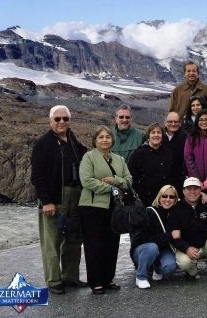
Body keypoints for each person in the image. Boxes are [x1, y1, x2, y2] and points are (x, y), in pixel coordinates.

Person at [31, 105, 88, 295]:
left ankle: (70, 277)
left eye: (65, 118)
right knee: (52, 240)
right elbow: (37, 176)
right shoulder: (43, 144)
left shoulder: (72, 139)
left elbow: (86, 156)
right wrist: (46, 201)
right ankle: (54, 280)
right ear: (51, 121)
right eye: (57, 119)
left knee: (73, 237)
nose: (62, 122)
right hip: (55, 197)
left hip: (76, 194)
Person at [78, 125, 133, 295]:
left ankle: (108, 279)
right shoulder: (88, 157)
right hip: (92, 207)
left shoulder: (119, 159)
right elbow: (86, 181)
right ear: (95, 140)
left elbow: (129, 180)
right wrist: (110, 188)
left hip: (114, 208)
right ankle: (95, 282)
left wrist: (115, 179)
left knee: (112, 243)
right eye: (100, 137)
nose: (104, 140)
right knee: (94, 245)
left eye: (107, 137)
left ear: (112, 140)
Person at [130, 185, 182, 289]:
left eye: (171, 197)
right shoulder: (149, 212)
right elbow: (145, 239)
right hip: (142, 250)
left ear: (176, 200)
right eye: (164, 196)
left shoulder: (175, 213)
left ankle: (157, 268)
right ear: (159, 197)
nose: (167, 199)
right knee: (152, 247)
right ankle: (141, 277)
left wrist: (202, 195)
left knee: (169, 266)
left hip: (162, 249)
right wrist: (170, 235)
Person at [128, 123, 173, 206]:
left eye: (158, 132)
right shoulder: (138, 154)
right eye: (153, 132)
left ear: (162, 135)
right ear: (148, 136)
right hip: (144, 198)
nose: (156, 135)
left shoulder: (167, 152)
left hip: (163, 197)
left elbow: (170, 174)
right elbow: (132, 177)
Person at [162, 111, 187, 192]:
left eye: (176, 121)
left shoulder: (186, 137)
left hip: (179, 180)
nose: (173, 124)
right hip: (160, 179)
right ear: (165, 122)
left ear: (180, 123)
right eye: (170, 121)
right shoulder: (159, 135)